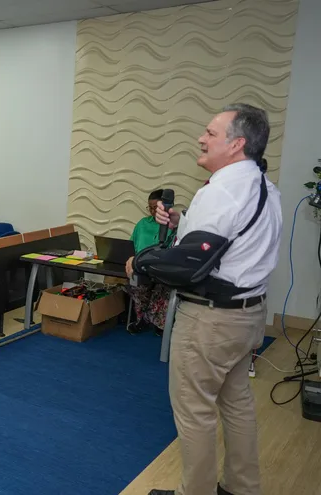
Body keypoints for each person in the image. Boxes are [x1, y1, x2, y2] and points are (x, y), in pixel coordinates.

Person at [128, 104, 282, 495]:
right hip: (248, 316)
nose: (201, 138)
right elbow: (228, 241)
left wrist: (140, 263)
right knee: (237, 403)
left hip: (211, 322)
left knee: (194, 412)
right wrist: (184, 222)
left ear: (237, 144)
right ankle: (241, 488)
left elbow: (187, 266)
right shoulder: (265, 187)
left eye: (211, 133)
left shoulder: (222, 192)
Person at [126, 189, 175, 335]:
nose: (153, 211)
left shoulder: (174, 226)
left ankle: (159, 323)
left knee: (163, 288)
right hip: (140, 268)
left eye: (156, 208)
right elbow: (130, 245)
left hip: (162, 269)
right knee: (136, 286)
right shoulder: (142, 224)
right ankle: (142, 319)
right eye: (150, 208)